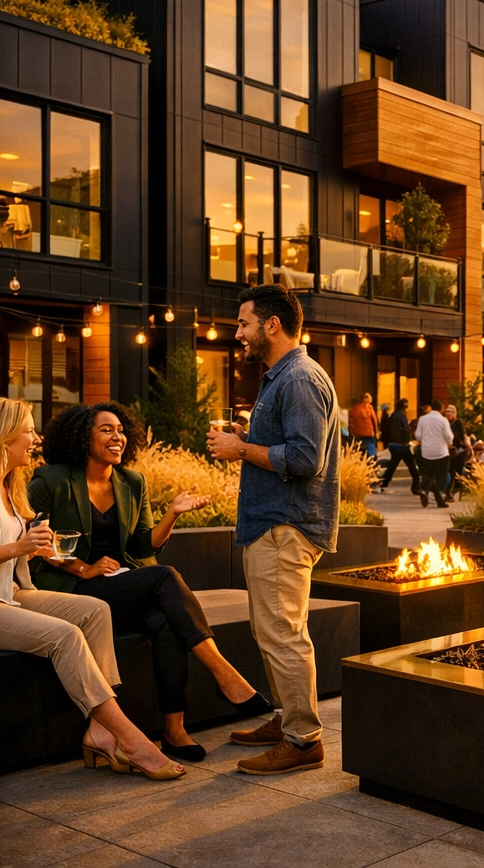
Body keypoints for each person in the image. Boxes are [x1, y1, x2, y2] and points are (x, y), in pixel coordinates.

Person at [0, 398, 186, 781]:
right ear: (3, 436)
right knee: (65, 636)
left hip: (1, 594)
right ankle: (131, 738)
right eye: (28, 430)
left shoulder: (7, 484)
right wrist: (19, 547)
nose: (35, 437)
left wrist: (33, 550)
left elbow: (9, 555)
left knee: (94, 611)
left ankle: (98, 732)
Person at [28, 402, 272, 761]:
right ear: (82, 437)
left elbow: (143, 543)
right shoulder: (52, 479)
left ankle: (174, 731)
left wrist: (172, 514)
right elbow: (35, 541)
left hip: (118, 588)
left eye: (121, 430)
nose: (118, 437)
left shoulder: (131, 482)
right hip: (74, 591)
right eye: (106, 430)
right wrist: (84, 568)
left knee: (165, 622)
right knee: (164, 576)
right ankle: (224, 673)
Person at [206, 283, 341, 776]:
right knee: (272, 629)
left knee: (283, 633)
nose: (236, 332)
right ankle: (288, 717)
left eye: (242, 323)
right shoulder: (279, 377)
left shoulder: (299, 378)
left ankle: (303, 740)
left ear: (272, 325)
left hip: (285, 525)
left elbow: (306, 459)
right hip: (273, 523)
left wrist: (240, 449)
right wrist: (244, 440)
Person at [412, 400, 453, 508]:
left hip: (426, 452)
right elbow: (449, 436)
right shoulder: (443, 420)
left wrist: (426, 440)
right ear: (441, 408)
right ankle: (440, 496)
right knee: (442, 476)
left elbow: (418, 435)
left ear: (431, 407)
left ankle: (424, 489)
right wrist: (449, 443)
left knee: (427, 473)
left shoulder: (422, 419)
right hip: (441, 452)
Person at [377, 398, 420, 495]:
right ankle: (416, 486)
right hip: (401, 446)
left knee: (393, 466)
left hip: (396, 445)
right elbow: (404, 430)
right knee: (411, 466)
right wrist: (406, 442)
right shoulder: (400, 415)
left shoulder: (395, 415)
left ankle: (384, 483)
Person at [443, 403, 473, 500]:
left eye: (450, 413)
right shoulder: (446, 423)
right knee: (451, 472)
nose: (448, 414)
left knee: (457, 472)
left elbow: (463, 435)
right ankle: (449, 493)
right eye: (447, 412)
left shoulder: (458, 422)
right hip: (451, 450)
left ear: (454, 413)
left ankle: (455, 490)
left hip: (460, 450)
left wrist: (468, 447)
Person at [348, 392, 379, 460]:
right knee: (370, 447)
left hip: (357, 434)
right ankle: (372, 458)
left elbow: (351, 422)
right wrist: (376, 433)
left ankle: (361, 460)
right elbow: (374, 421)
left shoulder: (354, 409)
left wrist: (351, 432)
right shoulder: (369, 408)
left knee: (360, 448)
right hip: (369, 434)